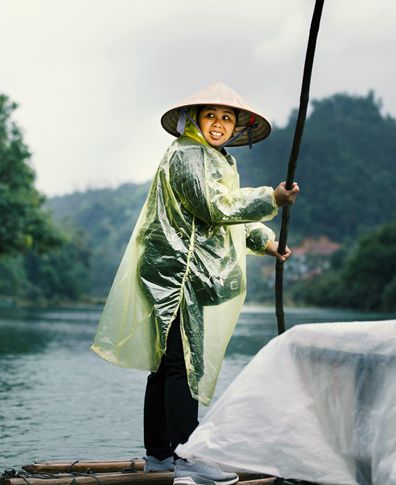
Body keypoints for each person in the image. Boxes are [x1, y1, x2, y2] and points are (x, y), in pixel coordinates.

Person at [91, 82, 299, 485]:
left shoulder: (215, 158)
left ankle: (160, 456)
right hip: (176, 274)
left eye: (227, 118)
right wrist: (271, 199)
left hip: (188, 274)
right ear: (196, 120)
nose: (219, 124)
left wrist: (267, 240)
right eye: (211, 116)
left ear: (236, 127)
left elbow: (224, 222)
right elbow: (213, 205)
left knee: (166, 365)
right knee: (181, 365)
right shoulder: (187, 155)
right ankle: (187, 458)